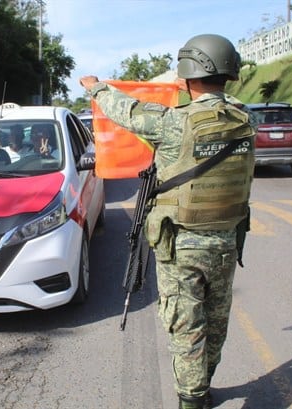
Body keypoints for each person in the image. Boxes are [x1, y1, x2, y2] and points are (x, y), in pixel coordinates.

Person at [80, 34, 256, 409]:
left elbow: (126, 110)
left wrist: (96, 87)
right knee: (215, 322)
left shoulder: (175, 123)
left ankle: (191, 401)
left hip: (181, 246)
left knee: (186, 329)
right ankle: (203, 386)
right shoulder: (245, 120)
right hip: (226, 241)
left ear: (189, 74)